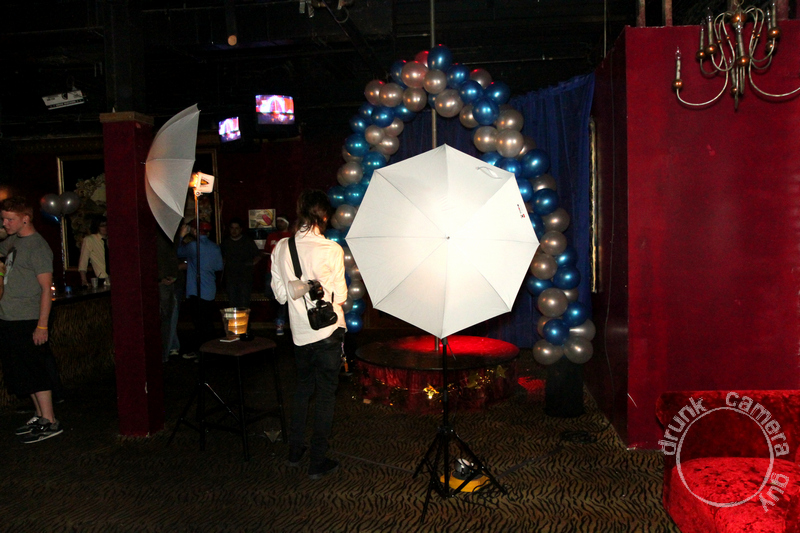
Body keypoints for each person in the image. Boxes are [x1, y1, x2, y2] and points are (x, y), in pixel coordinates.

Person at [271, 190, 347, 480]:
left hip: (300, 334)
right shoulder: (331, 249)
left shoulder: (281, 247)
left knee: (303, 390)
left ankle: (295, 451)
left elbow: (280, 295)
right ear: (324, 216)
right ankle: (317, 460)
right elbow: (341, 296)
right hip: (328, 332)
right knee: (326, 395)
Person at [0, 196, 62, 443]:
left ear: (25, 218)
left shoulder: (38, 247)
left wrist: (42, 325)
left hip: (28, 317)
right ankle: (40, 416)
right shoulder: (14, 240)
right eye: (3, 219)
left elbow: (46, 289)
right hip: (10, 317)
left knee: (35, 369)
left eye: (9, 219)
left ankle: (51, 420)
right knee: (22, 371)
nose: (5, 224)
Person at [177, 221, 223, 359]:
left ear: (195, 231)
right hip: (209, 289)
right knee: (207, 321)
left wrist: (181, 236)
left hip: (197, 290)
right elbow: (219, 266)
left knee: (199, 324)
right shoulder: (215, 247)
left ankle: (202, 352)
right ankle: (211, 351)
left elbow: (178, 252)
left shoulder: (193, 246)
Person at [220, 217, 260, 309]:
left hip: (245, 279)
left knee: (244, 303)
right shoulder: (225, 242)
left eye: (236, 228)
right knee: (232, 303)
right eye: (232, 228)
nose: (234, 231)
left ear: (241, 229)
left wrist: (251, 263)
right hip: (230, 278)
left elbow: (258, 255)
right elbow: (220, 257)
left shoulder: (248, 241)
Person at [157, 230, 180, 362]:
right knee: (167, 318)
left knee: (168, 317)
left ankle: (166, 351)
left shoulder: (166, 238)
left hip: (166, 280)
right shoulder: (164, 238)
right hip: (164, 281)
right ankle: (164, 353)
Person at [266, 217, 292, 335]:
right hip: (271, 271)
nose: (279, 223)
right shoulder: (271, 236)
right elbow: (267, 251)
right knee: (272, 296)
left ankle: (281, 322)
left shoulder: (292, 236)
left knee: (286, 297)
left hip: (286, 272)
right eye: (277, 221)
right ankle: (278, 319)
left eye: (281, 221)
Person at [78, 215, 109, 287]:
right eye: (102, 226)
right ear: (97, 227)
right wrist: (84, 280)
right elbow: (83, 262)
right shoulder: (90, 240)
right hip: (102, 278)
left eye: (106, 225)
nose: (105, 228)